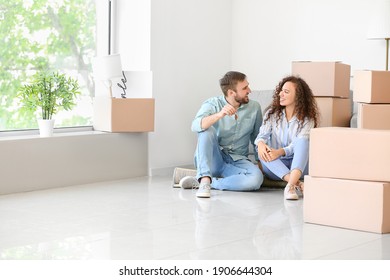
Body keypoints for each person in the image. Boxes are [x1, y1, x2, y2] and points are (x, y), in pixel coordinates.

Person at [179, 71, 264, 198]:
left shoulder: (254, 107)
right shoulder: (213, 104)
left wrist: (260, 163)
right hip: (214, 159)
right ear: (231, 93)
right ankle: (205, 178)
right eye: (245, 88)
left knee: (256, 180)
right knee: (206, 130)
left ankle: (207, 182)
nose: (249, 90)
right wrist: (220, 115)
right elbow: (195, 125)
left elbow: (257, 137)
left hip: (237, 160)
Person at [255, 75, 319, 200]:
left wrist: (280, 152)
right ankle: (296, 184)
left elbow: (298, 145)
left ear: (298, 96)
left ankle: (290, 186)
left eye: (286, 92)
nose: (280, 94)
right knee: (262, 152)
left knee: (303, 141)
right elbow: (261, 136)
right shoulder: (271, 114)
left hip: (300, 166)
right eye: (281, 91)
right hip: (277, 168)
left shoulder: (307, 119)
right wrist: (261, 144)